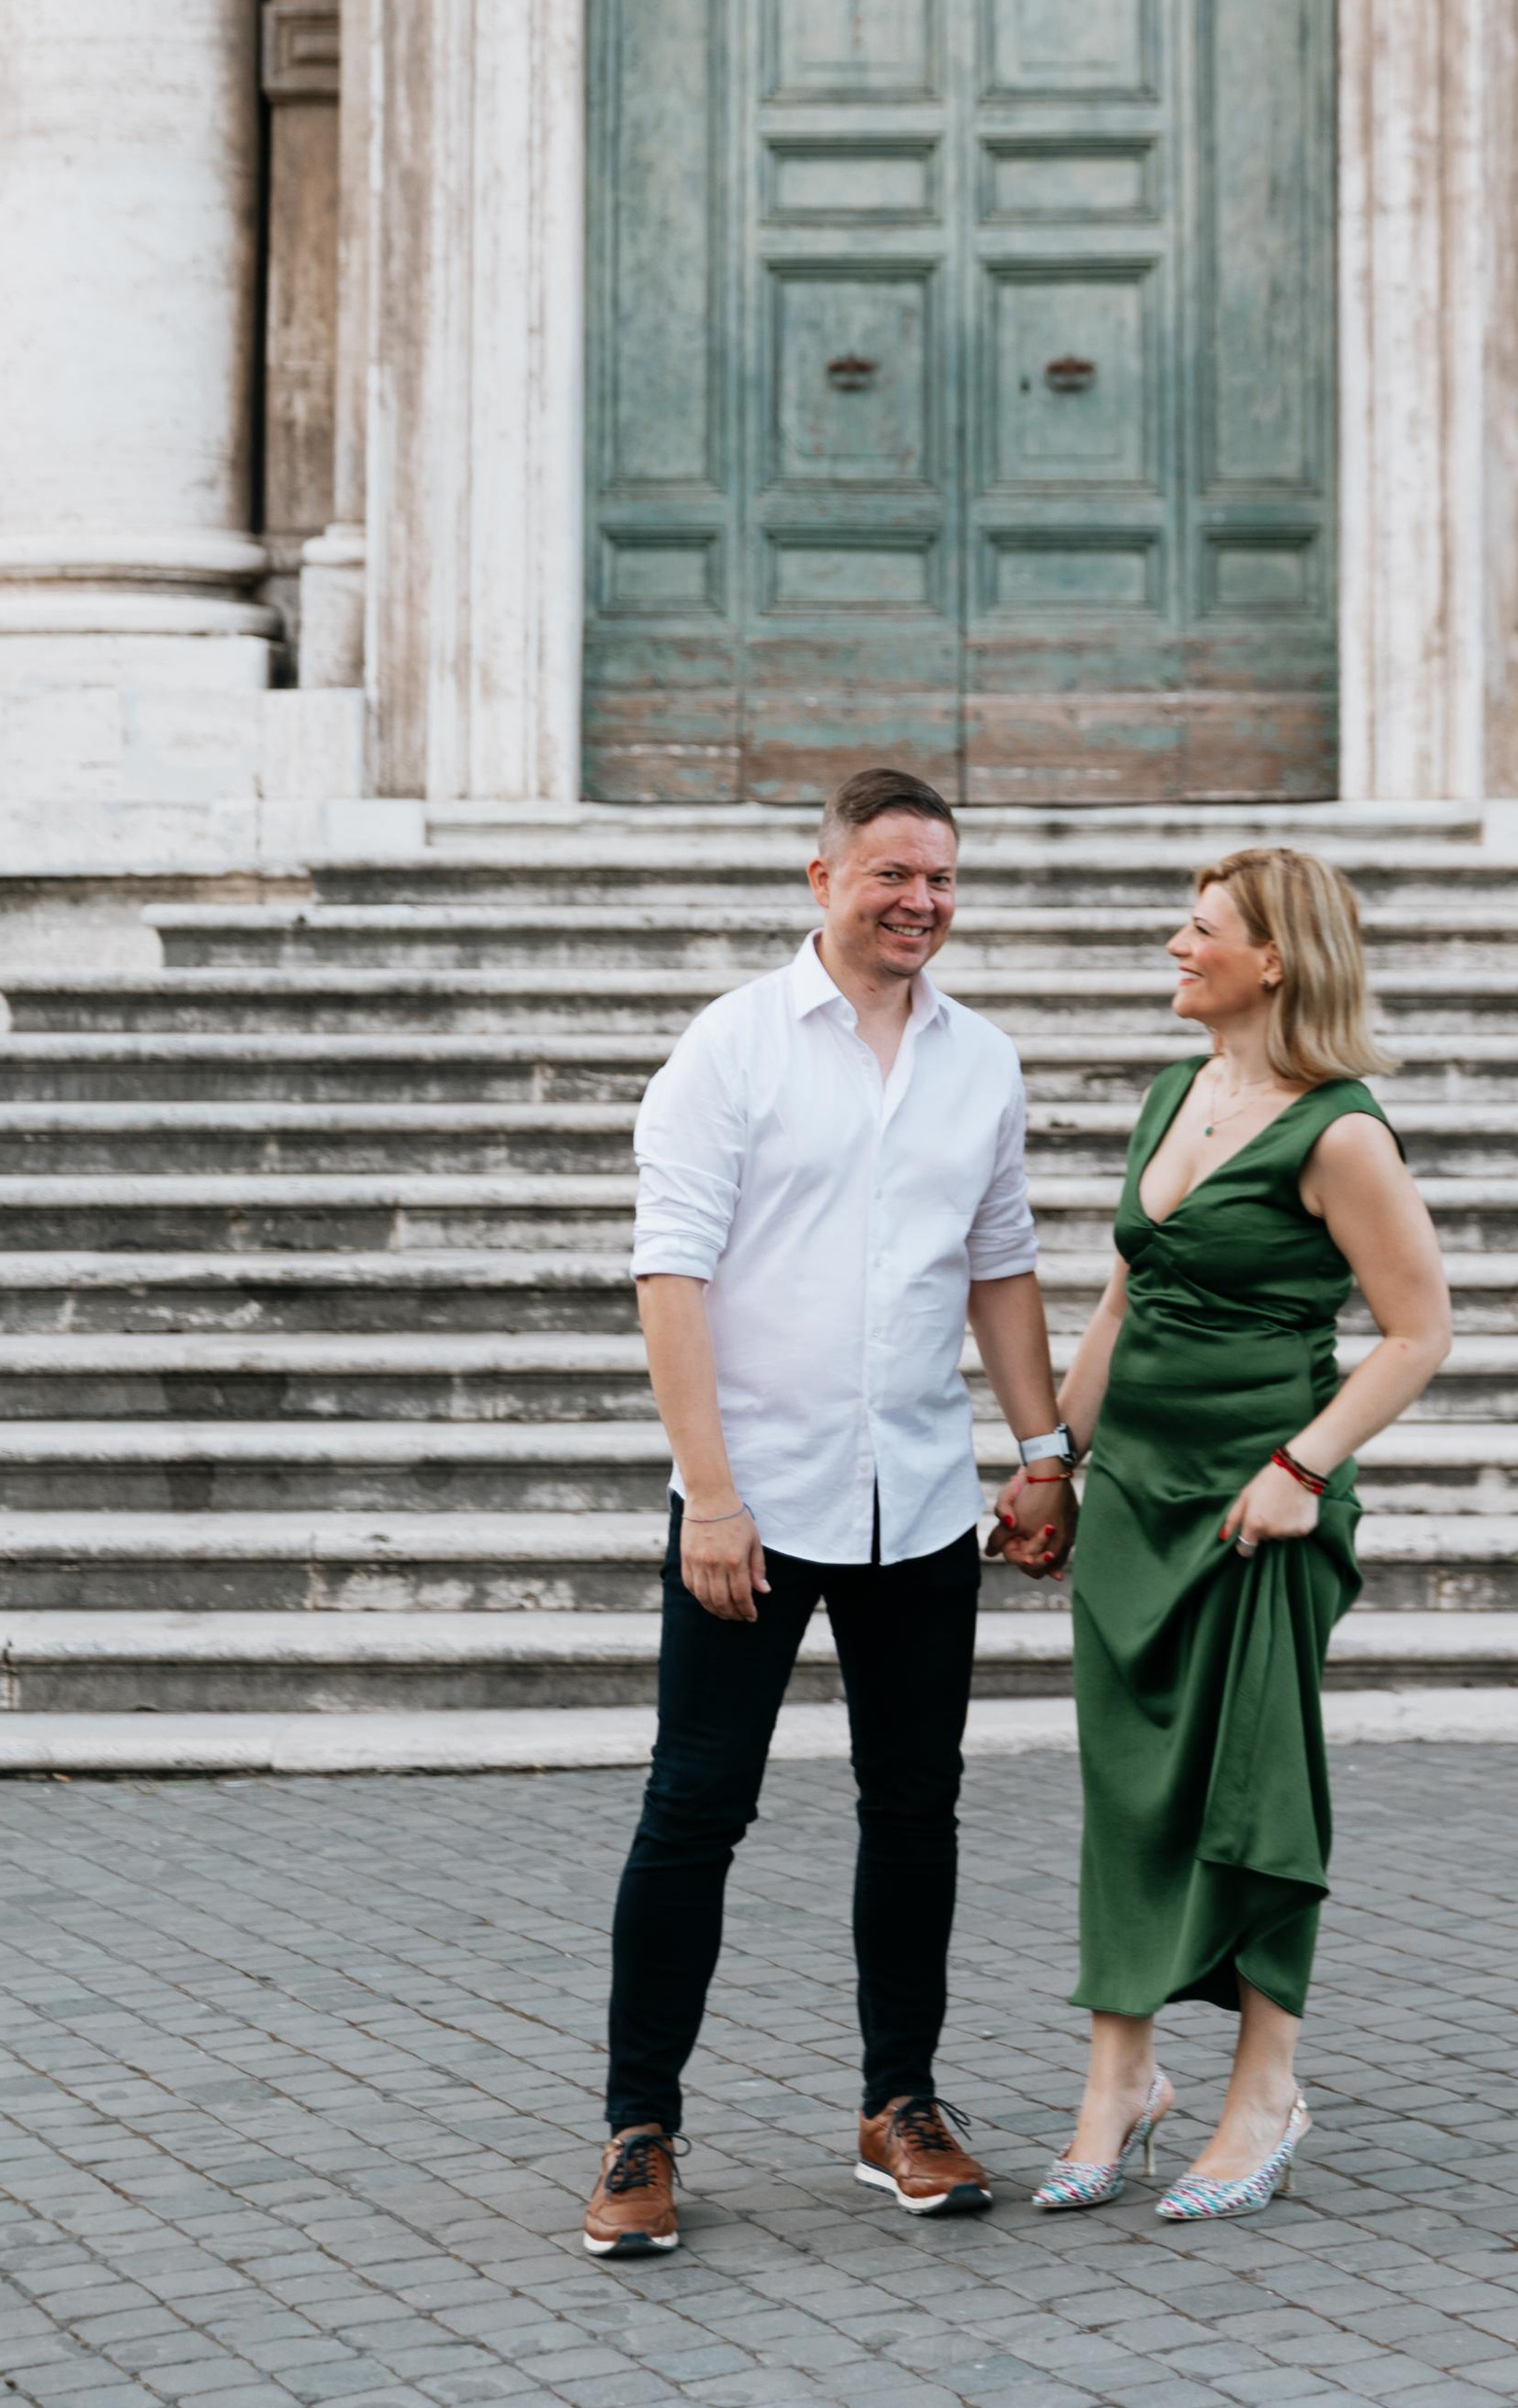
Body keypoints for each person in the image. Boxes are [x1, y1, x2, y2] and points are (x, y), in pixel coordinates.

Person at [581, 764, 1078, 2260]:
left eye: (940, 879)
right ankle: (639, 2125)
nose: (919, 901)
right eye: (891, 876)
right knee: (693, 1813)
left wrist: (1044, 1447)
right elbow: (670, 1281)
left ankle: (900, 2107)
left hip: (919, 1500)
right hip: (756, 1501)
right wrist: (710, 1500)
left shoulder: (981, 1062)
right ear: (823, 880)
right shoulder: (728, 1051)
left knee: (914, 1811)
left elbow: (999, 1266)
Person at [1022, 846, 1453, 2223]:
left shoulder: (1341, 1134)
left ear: (1275, 960)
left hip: (1258, 1508)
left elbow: (1418, 1332)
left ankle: (1265, 2092)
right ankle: (1120, 2084)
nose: (1172, 945)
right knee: (1127, 1792)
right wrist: (1052, 1462)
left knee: (1252, 1791)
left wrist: (1300, 1467)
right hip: (1135, 1499)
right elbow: (1118, 1306)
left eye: (1197, 929)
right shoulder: (1174, 1092)